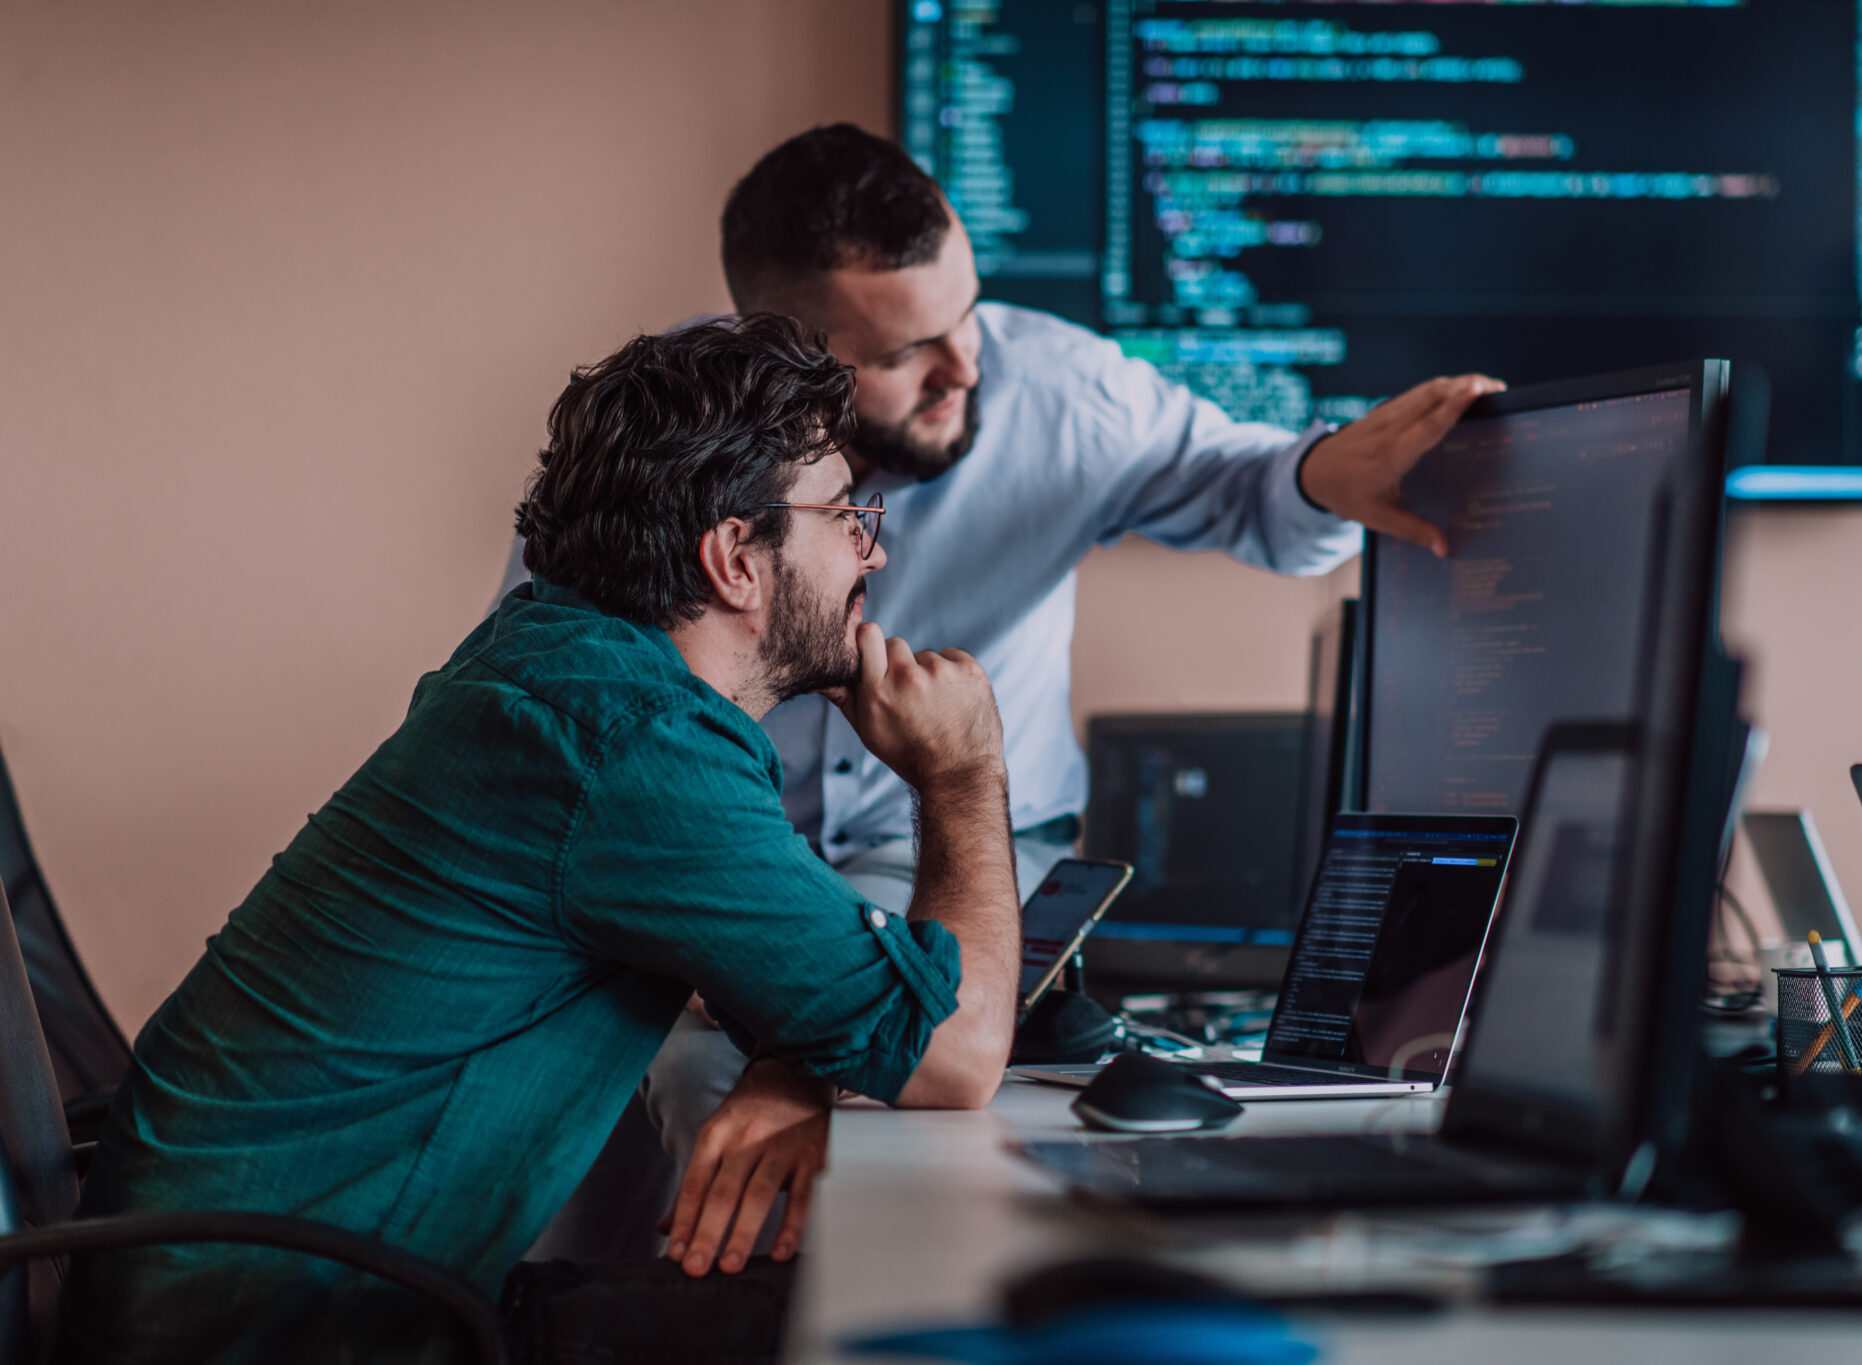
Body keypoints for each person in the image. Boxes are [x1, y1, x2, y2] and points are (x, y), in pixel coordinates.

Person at [505, 123, 1504, 1263]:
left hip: (948, 838)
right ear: (779, 352)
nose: (967, 367)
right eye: (904, 352)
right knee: (582, 1103)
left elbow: (1248, 488)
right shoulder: (665, 435)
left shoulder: (1062, 395)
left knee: (710, 1072)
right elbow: (563, 690)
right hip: (719, 846)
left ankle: (761, 1320)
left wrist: (1327, 471)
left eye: (966, 313)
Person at [59, 315, 1021, 1364]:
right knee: (921, 1306)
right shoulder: (633, 747)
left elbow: (763, 966)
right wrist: (961, 773)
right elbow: (955, 1056)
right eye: (844, 513)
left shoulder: (556, 657)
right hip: (301, 1333)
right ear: (734, 557)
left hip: (242, 1294)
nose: (873, 546)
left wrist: (798, 1060)